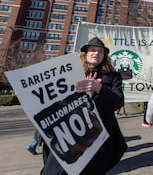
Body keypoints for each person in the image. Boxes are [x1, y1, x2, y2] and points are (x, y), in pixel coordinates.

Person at [41, 37, 127, 175]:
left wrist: (99, 88)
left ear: (104, 56)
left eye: (100, 51)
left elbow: (117, 102)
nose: (96, 53)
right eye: (92, 50)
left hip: (97, 139)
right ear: (85, 54)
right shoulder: (69, 74)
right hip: (69, 134)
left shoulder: (113, 76)